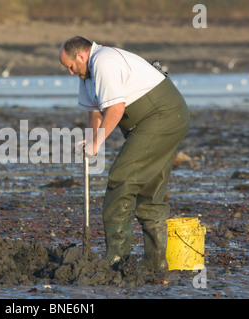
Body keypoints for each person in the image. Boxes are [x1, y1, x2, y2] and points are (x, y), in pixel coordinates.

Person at [59, 36, 190, 271]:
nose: (70, 72)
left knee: (121, 179)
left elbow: (116, 109)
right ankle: (156, 264)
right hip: (147, 123)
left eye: (70, 66)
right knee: (149, 188)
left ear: (80, 56)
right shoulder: (87, 74)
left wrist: (98, 142)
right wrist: (90, 141)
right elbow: (95, 112)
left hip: (162, 116)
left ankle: (116, 259)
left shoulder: (103, 63)